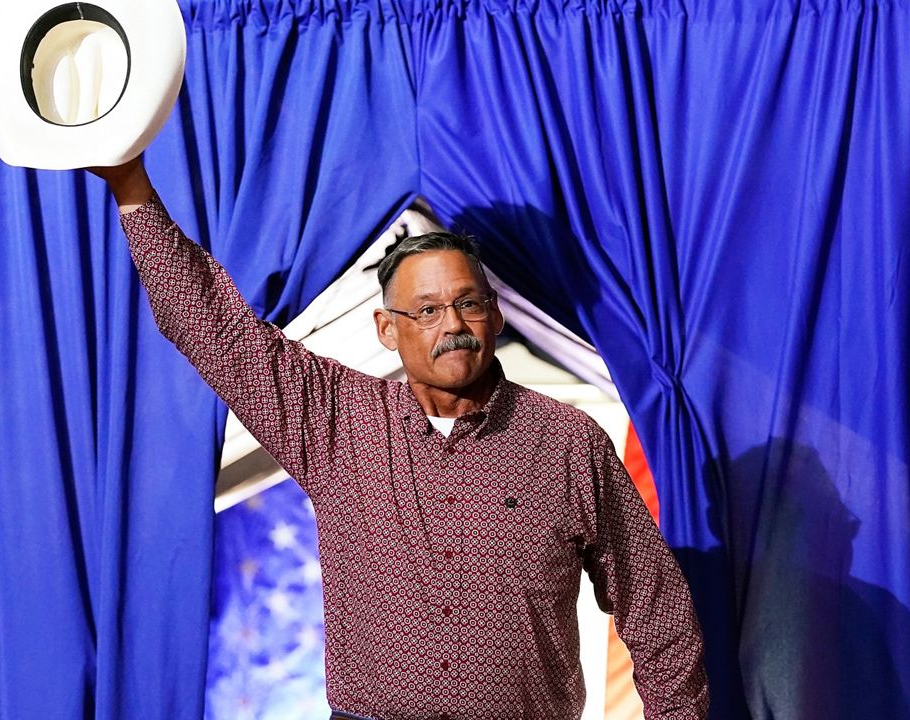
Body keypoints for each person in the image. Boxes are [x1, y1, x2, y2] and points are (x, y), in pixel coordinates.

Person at [90, 157, 709, 720]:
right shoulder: (337, 419)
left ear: (495, 315)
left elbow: (658, 610)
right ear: (388, 329)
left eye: (469, 304)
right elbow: (213, 327)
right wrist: (133, 189)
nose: (454, 326)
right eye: (428, 311)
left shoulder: (568, 442)